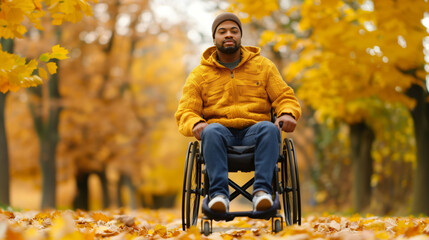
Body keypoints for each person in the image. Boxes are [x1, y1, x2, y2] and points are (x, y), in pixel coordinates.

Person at [175, 12, 301, 213]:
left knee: (270, 129)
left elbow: (284, 96)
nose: (228, 35)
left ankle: (262, 193)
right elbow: (186, 111)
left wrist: (287, 113)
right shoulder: (199, 75)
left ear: (240, 36)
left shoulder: (263, 66)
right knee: (211, 131)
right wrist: (195, 123)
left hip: (256, 133)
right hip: (219, 137)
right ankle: (218, 195)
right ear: (214, 38)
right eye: (222, 31)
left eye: (234, 31)